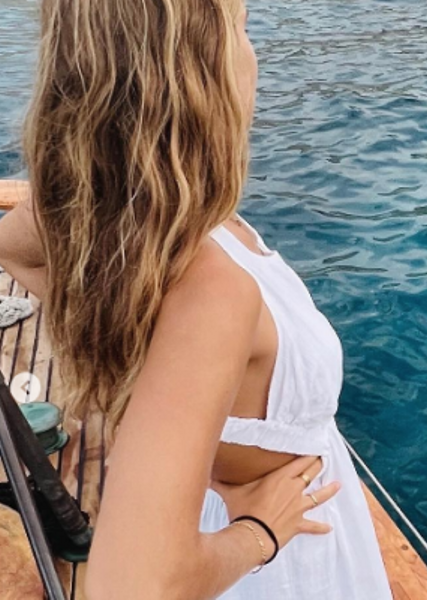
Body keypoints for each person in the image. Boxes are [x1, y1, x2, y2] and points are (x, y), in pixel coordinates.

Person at [0, 1, 391, 599]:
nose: (254, 54)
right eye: (242, 27)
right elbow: (131, 586)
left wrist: (135, 362)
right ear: (199, 70)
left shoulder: (130, 219)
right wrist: (260, 533)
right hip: (282, 561)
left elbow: (16, 248)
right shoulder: (210, 286)